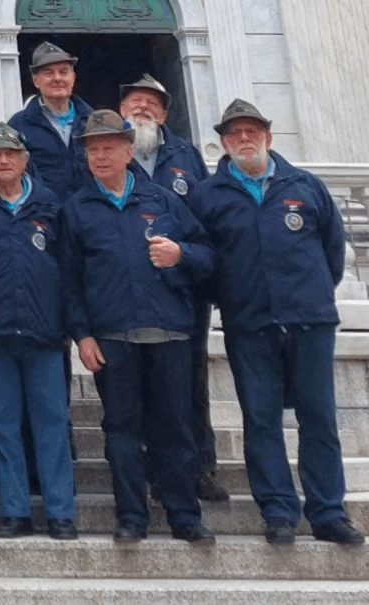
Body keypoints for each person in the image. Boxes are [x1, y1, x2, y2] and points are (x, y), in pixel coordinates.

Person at [187, 99, 365, 545]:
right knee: (261, 421)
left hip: (309, 321)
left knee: (319, 420)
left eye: (252, 131)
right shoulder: (207, 196)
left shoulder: (306, 186)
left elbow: (332, 253)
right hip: (248, 325)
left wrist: (310, 294)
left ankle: (328, 513)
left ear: (268, 136)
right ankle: (279, 512)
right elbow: (202, 261)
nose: (244, 139)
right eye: (235, 133)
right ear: (224, 143)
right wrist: (231, 300)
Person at [60, 109, 214, 544]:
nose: (101, 156)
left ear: (129, 153)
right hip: (112, 339)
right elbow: (69, 282)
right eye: (93, 150)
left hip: (169, 334)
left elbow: (207, 258)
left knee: (175, 427)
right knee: (121, 431)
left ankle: (184, 514)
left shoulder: (164, 201)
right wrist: (82, 335)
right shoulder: (76, 210)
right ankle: (131, 516)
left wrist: (180, 254)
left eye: (109, 148)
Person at [0, 123, 76, 540]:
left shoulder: (50, 204)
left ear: (25, 160)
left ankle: (62, 511)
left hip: (45, 334)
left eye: (10, 154)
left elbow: (68, 270)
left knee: (52, 423)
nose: (3, 161)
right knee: (3, 426)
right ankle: (15, 511)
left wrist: (70, 325)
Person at [117, 73, 225, 502]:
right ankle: (145, 467)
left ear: (164, 113)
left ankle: (200, 467)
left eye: (152, 103)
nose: (142, 108)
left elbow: (206, 225)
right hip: (127, 292)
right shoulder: (105, 152)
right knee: (136, 385)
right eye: (134, 101)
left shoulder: (186, 156)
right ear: (121, 110)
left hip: (181, 291)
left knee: (191, 383)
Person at [8, 42, 93, 200]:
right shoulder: (18, 125)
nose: (57, 78)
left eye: (64, 72)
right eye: (48, 73)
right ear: (36, 81)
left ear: (73, 78)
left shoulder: (94, 121)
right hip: (43, 214)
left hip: (90, 214)